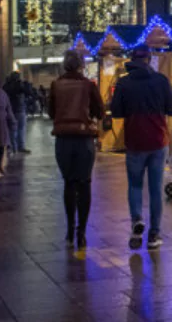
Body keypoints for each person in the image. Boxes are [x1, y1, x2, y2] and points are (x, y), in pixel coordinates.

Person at [111, 45, 172, 250]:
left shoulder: (124, 83)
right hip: (158, 140)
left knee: (135, 185)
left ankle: (137, 220)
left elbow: (116, 113)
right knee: (156, 188)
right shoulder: (161, 80)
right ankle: (155, 234)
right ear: (149, 60)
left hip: (135, 141)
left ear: (132, 60)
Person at [49, 51, 103, 248]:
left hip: (63, 139)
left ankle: (70, 229)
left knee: (69, 183)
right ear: (81, 66)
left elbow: (50, 112)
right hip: (84, 140)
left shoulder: (56, 85)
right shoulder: (88, 85)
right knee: (84, 183)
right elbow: (100, 109)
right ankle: (82, 232)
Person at [3, 72, 30, 154]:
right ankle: (20, 147)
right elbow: (28, 92)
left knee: (12, 130)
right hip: (19, 109)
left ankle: (12, 148)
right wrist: (25, 84)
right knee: (20, 129)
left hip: (10, 110)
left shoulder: (6, 86)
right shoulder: (19, 85)